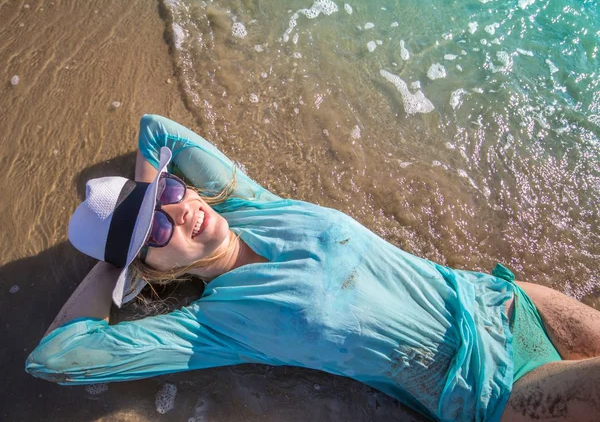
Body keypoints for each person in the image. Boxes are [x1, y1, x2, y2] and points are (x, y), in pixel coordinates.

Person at [25, 115, 600, 422]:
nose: (181, 211)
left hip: (505, 303)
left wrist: (148, 201)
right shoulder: (213, 325)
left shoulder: (252, 204)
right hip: (486, 392)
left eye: (174, 192)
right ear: (153, 268)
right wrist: (114, 262)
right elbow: (55, 360)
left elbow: (158, 128)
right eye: (157, 230)